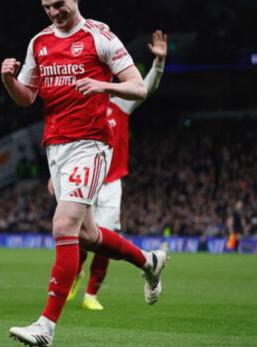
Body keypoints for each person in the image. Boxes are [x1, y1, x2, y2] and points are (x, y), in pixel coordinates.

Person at [0, 0, 168, 346]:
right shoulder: (39, 42)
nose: (53, 12)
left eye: (59, 4)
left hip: (91, 143)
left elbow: (138, 88)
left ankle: (45, 327)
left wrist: (102, 85)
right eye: (47, 7)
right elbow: (26, 98)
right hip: (55, 146)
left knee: (63, 226)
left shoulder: (100, 36)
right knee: (88, 235)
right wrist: (9, 79)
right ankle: (149, 261)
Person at [58, 30, 167, 311]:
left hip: (111, 183)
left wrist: (158, 64)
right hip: (85, 178)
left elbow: (147, 88)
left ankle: (91, 295)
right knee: (80, 237)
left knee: (103, 239)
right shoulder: (82, 105)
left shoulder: (120, 104)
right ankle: (76, 273)